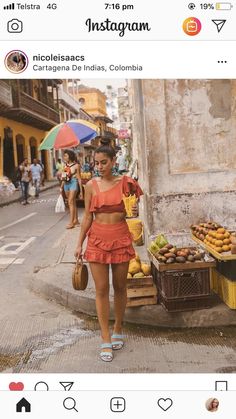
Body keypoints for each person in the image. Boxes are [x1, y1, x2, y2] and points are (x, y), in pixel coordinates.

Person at [74, 145, 143, 362]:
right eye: (97, 163)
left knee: (120, 287)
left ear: (114, 161)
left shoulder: (125, 182)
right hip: (97, 240)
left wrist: (133, 208)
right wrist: (79, 244)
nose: (100, 166)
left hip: (121, 238)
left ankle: (118, 327)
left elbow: (134, 206)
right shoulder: (90, 186)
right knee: (101, 289)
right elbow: (87, 217)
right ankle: (105, 336)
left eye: (104, 162)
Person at [60, 149, 82, 229]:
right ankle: (76, 220)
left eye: (66, 155)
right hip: (66, 184)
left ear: (70, 156)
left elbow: (79, 179)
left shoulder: (76, 166)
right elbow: (63, 177)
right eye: (64, 156)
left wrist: (81, 192)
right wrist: (61, 187)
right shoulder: (65, 166)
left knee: (70, 202)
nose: (64, 157)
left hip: (73, 183)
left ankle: (71, 222)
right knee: (72, 203)